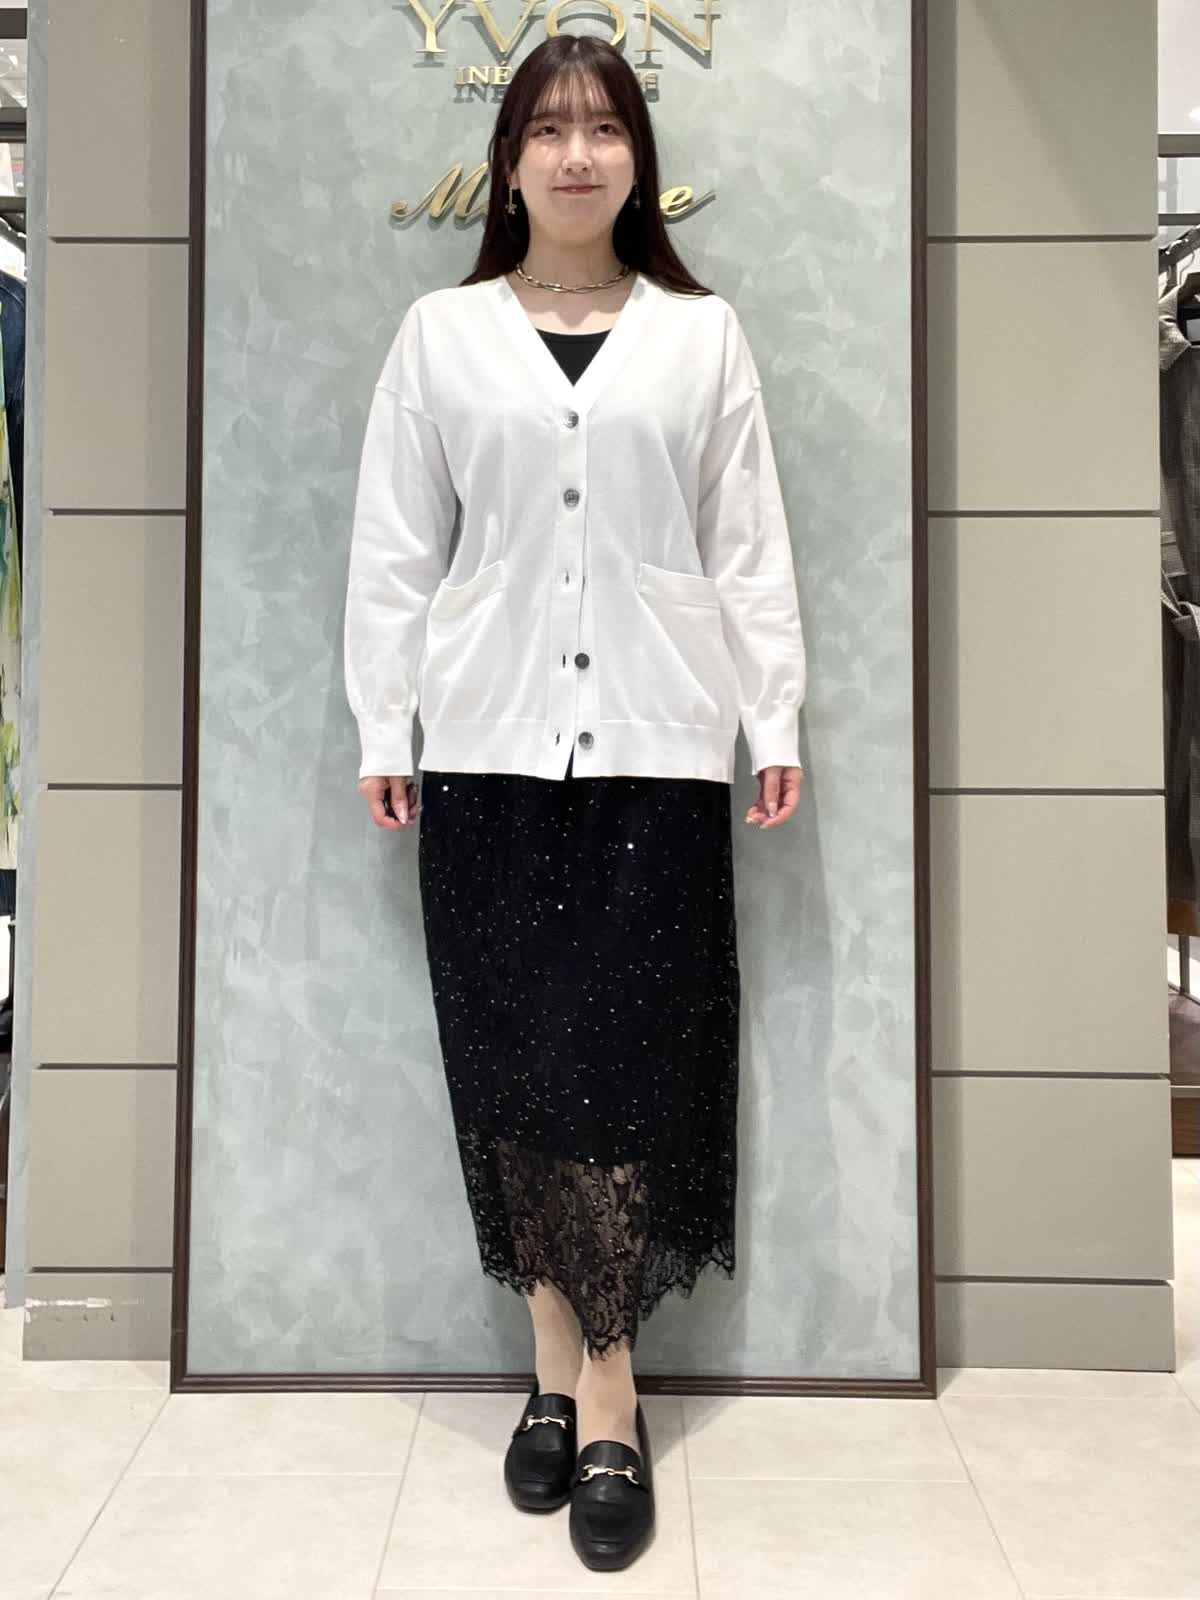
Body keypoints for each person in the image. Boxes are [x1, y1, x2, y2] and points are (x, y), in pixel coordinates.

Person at [343, 31, 806, 1573]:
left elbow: (747, 544)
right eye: (548, 129)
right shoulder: (441, 335)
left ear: (638, 160)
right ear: (510, 163)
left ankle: (607, 1390)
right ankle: (556, 1365)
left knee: (631, 1072)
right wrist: (385, 722)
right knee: (518, 1073)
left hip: (658, 754)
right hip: (483, 750)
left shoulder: (701, 337)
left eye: (605, 127)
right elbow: (394, 550)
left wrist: (773, 712)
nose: (578, 154)